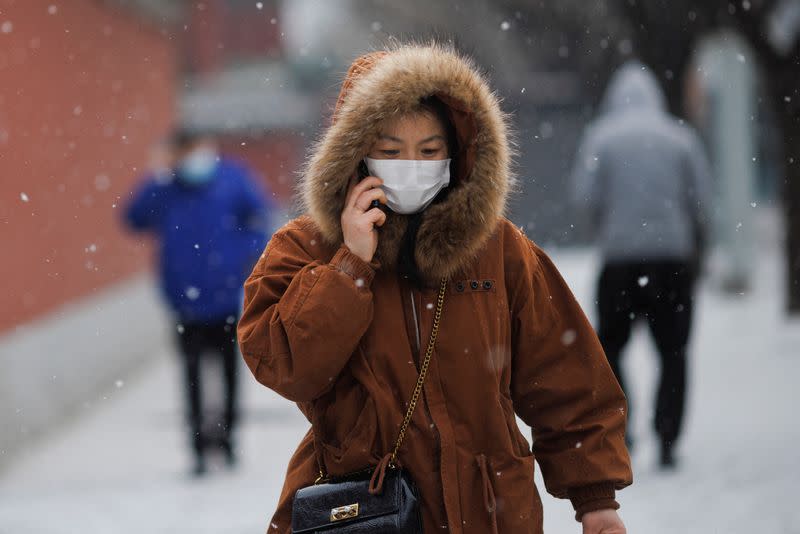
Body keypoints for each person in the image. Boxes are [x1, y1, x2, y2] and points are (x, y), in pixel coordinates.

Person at [238, 43, 632, 534]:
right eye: (390, 151)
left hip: (490, 512)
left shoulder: (498, 249)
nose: (411, 164)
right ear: (355, 154)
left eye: (429, 150)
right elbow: (283, 363)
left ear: (457, 153)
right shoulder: (306, 247)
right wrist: (350, 265)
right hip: (362, 512)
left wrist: (595, 498)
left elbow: (566, 375)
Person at [570, 61, 713, 468]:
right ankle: (668, 436)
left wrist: (608, 226)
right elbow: (701, 197)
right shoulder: (680, 137)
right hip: (672, 262)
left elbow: (584, 195)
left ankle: (621, 427)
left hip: (620, 263)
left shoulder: (601, 137)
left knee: (609, 349)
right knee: (674, 352)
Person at [125, 130, 271, 475]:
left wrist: (243, 256)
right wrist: (156, 176)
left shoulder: (232, 178)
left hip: (227, 297)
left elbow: (259, 218)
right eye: (184, 153)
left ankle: (228, 441)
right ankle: (198, 448)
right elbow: (132, 219)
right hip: (183, 301)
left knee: (228, 371)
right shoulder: (165, 189)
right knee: (191, 376)